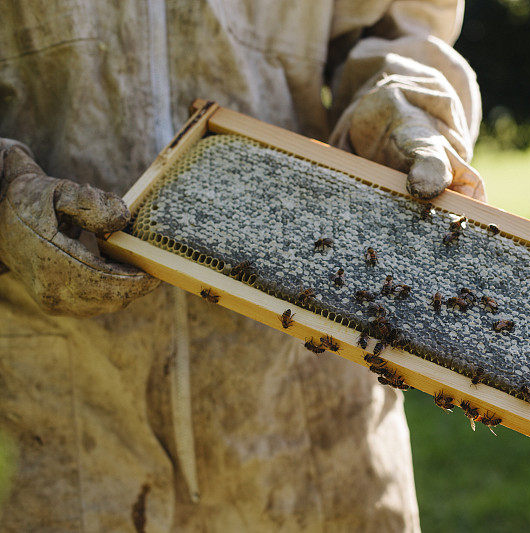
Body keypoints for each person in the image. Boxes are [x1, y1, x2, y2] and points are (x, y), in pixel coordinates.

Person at [0, 1, 484, 531]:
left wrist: (404, 107)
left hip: (311, 417)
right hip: (61, 422)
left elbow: (398, 26)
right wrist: (7, 193)